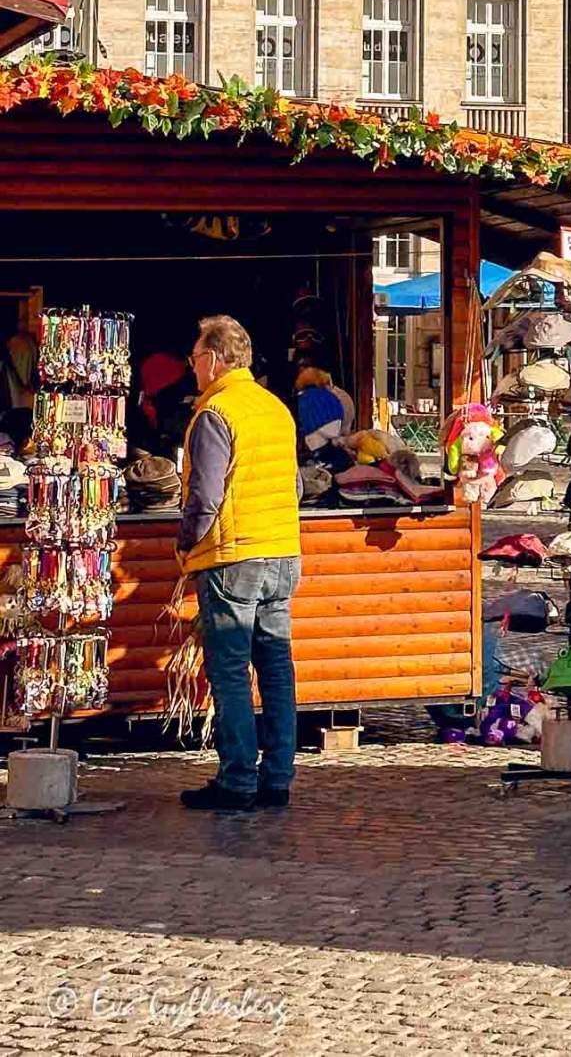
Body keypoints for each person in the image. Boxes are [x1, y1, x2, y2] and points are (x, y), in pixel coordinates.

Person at [177, 314, 302, 815]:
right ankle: (277, 778)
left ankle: (237, 781)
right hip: (281, 551)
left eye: (194, 358)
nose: (191, 368)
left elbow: (204, 498)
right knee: (276, 666)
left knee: (229, 671)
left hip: (233, 556)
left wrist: (186, 546)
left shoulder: (216, 413)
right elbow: (293, 486)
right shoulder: (274, 408)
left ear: (212, 359)